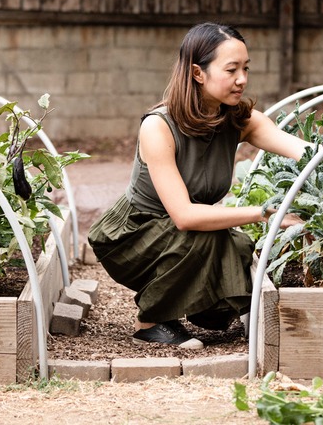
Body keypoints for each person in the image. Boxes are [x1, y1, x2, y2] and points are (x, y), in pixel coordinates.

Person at [87, 22, 308, 349]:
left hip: (178, 235)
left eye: (246, 68)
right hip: (133, 236)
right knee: (207, 238)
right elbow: (185, 217)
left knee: (238, 246)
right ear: (197, 72)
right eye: (231, 69)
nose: (242, 79)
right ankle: (150, 321)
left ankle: (207, 312)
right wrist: (265, 213)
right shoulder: (159, 127)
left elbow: (303, 150)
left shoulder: (238, 120)